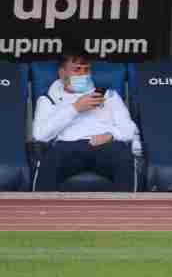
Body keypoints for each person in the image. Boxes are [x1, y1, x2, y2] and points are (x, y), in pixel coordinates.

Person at [32, 49, 138, 191]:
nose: (83, 74)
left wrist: (111, 134)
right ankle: (41, 210)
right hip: (67, 147)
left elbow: (130, 129)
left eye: (86, 70)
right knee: (50, 161)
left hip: (105, 145)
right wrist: (75, 108)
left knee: (124, 157)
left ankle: (126, 211)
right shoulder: (47, 100)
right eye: (77, 70)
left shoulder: (108, 95)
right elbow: (40, 135)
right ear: (62, 73)